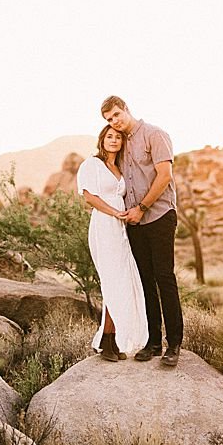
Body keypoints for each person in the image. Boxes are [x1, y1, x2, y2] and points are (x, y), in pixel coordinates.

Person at [101, 95, 183, 367]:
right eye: (109, 120)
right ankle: (153, 342)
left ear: (125, 108)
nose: (115, 121)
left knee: (164, 278)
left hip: (159, 215)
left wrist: (143, 207)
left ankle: (174, 344)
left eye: (116, 115)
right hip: (135, 223)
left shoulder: (154, 134)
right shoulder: (120, 144)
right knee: (144, 281)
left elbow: (164, 176)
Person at [76, 125, 149, 362]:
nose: (114, 140)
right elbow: (89, 197)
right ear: (102, 139)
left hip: (120, 230)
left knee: (122, 282)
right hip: (104, 227)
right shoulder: (92, 165)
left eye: (118, 137)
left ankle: (112, 338)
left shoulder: (119, 167)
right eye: (109, 136)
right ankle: (107, 338)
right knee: (112, 281)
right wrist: (114, 213)